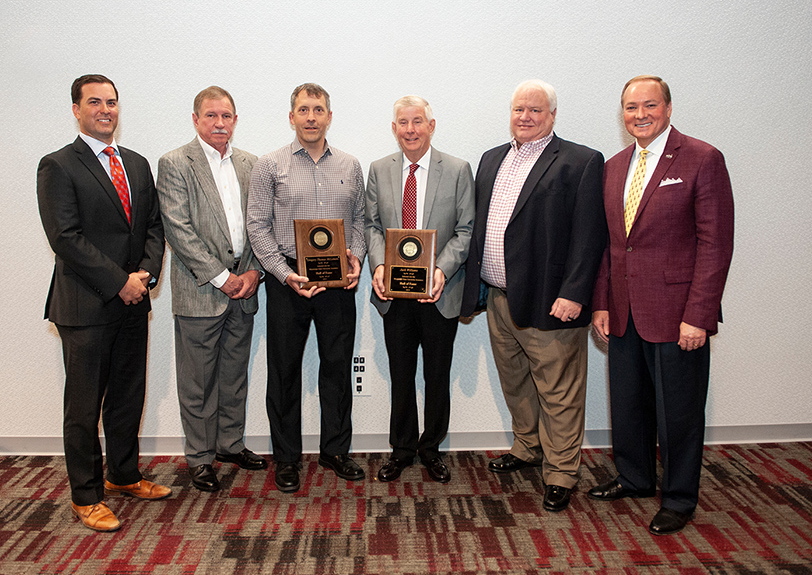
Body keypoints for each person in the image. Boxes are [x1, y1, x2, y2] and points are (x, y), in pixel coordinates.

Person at [588, 75, 735, 535]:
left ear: (668, 108)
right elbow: (610, 245)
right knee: (627, 402)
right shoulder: (614, 166)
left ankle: (678, 497)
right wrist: (601, 304)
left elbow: (716, 243)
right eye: (631, 108)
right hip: (624, 309)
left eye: (649, 105)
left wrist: (700, 314)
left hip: (678, 314)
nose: (640, 115)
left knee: (679, 413)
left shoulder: (702, 158)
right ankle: (634, 478)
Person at [460, 80, 606, 512]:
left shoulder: (580, 161)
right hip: (499, 296)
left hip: (550, 300)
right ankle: (527, 448)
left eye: (535, 111)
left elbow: (589, 234)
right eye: (519, 109)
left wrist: (575, 293)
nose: (525, 117)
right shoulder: (490, 159)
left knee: (559, 389)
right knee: (517, 381)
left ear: (552, 116)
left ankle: (561, 472)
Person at [37, 74, 169, 532]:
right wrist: (119, 283)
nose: (105, 110)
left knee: (127, 396)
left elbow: (154, 227)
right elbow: (65, 238)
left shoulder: (135, 163)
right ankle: (85, 495)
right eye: (95, 102)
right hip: (86, 305)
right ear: (76, 109)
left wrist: (145, 276)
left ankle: (124, 475)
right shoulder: (58, 165)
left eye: (112, 102)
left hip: (133, 302)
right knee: (84, 404)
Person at [246, 83, 366, 493]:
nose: (311, 117)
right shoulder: (269, 165)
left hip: (337, 282)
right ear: (292, 117)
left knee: (336, 367)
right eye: (303, 110)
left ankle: (335, 451)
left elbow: (362, 221)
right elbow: (257, 226)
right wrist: (283, 273)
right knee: (283, 371)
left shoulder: (350, 165)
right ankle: (286, 459)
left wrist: (358, 259)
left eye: (318, 109)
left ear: (329, 116)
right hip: (288, 280)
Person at [156, 86, 267, 493]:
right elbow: (178, 230)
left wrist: (254, 272)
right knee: (198, 382)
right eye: (211, 116)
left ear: (235, 120)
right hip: (202, 291)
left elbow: (261, 226)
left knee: (234, 376)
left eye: (227, 116)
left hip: (246, 289)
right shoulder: (174, 163)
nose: (220, 123)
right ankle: (200, 458)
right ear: (195, 119)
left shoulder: (251, 164)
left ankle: (229, 444)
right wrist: (222, 277)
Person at [364, 96, 474, 483]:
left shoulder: (458, 170)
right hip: (394, 296)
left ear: (431, 125)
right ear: (394, 128)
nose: (410, 129)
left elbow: (466, 229)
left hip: (439, 293)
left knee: (437, 374)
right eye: (402, 122)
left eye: (417, 121)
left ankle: (431, 449)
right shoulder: (378, 170)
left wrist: (441, 270)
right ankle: (401, 449)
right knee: (401, 373)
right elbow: (372, 225)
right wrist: (378, 264)